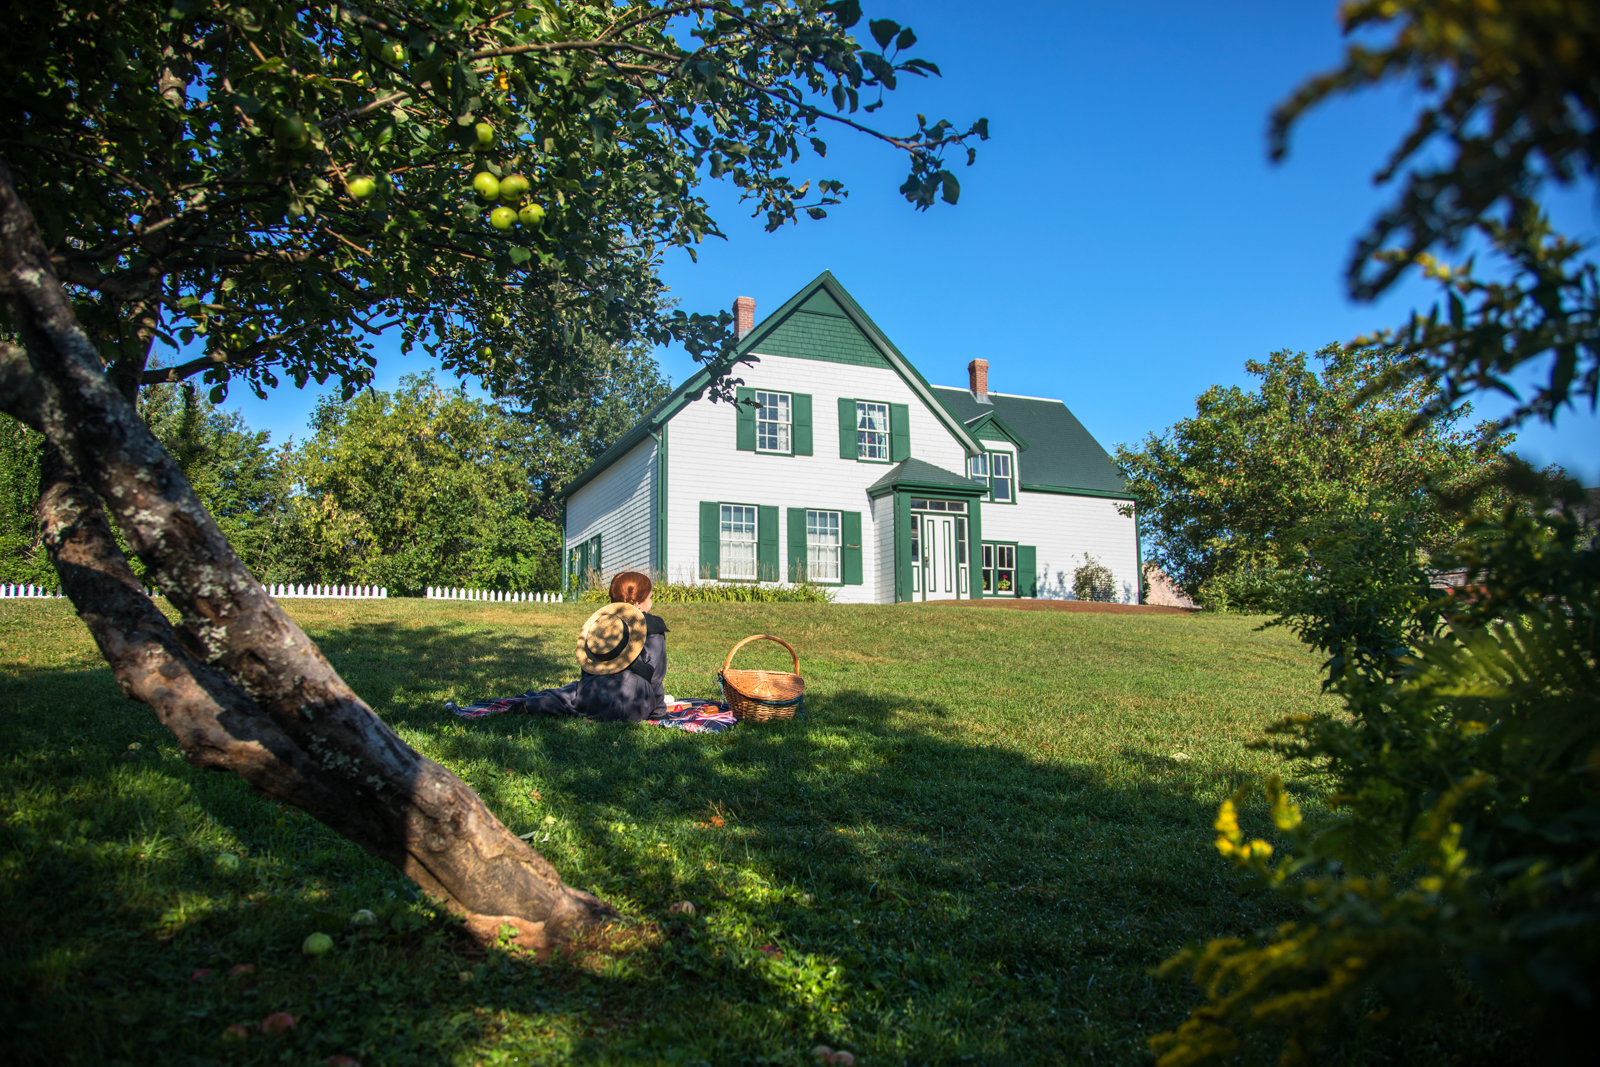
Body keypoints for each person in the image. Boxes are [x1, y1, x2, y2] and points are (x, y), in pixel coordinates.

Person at [516, 571, 669, 722]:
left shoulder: (603, 624)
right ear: (638, 603)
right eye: (650, 597)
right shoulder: (654, 627)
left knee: (568, 696)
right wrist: (659, 712)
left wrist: (585, 691)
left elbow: (590, 666)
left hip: (597, 692)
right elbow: (655, 677)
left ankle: (536, 704)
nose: (651, 602)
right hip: (633, 703)